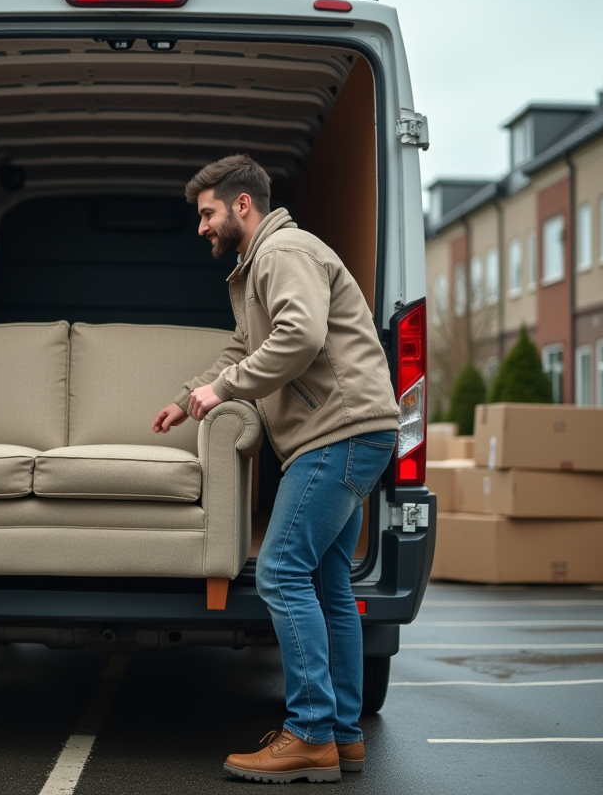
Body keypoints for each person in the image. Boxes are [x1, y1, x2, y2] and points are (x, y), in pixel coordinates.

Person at [152, 155, 400, 784]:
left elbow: (300, 334)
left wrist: (228, 389)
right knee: (328, 583)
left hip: (336, 434)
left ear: (242, 205)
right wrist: (189, 399)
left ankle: (309, 733)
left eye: (207, 213)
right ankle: (341, 736)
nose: (201, 227)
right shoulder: (260, 262)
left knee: (283, 569)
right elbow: (245, 345)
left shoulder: (282, 250)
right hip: (352, 433)